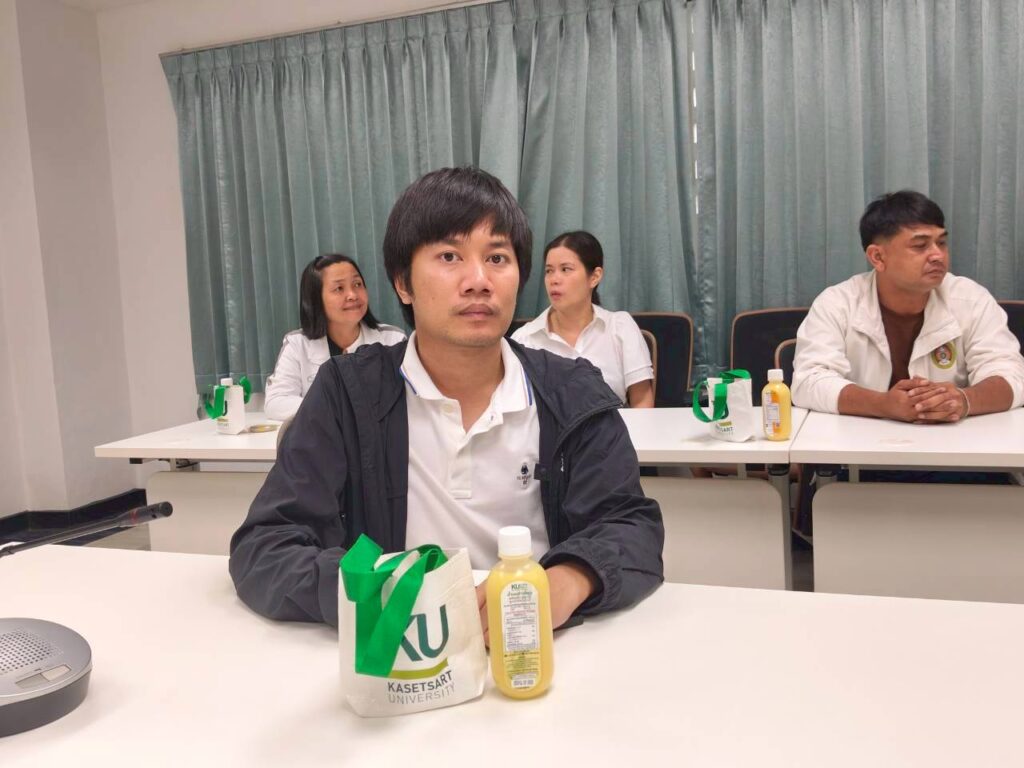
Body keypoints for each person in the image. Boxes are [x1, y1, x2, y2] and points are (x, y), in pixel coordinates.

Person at [229, 167, 664, 628]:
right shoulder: (347, 392)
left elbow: (633, 528)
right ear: (403, 283)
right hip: (401, 651)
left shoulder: (572, 391)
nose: (478, 280)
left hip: (535, 644)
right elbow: (265, 547)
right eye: (450, 256)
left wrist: (569, 579)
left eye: (497, 258)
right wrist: (383, 593)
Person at [792, 190, 1024, 422]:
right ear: (878, 257)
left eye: (941, 243)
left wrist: (963, 400)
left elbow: (1012, 375)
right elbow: (808, 381)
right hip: (857, 440)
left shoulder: (971, 299)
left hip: (955, 440)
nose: (937, 255)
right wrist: (882, 404)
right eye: (920, 246)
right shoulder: (837, 303)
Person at [512, 231, 655, 407]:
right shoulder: (524, 339)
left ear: (594, 277)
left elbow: (642, 400)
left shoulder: (620, 327)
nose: (554, 279)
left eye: (565, 269)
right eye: (549, 271)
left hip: (614, 424)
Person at [263, 254, 405, 421]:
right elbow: (276, 403)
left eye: (357, 284)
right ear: (316, 299)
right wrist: (335, 409)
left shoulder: (393, 340)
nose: (352, 295)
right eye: (339, 288)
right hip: (322, 436)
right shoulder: (297, 344)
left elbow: (408, 401)